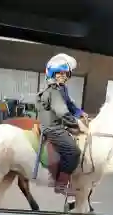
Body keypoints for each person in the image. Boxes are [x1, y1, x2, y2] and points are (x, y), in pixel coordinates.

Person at [36, 53, 87, 194]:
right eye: (60, 74)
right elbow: (62, 112)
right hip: (52, 128)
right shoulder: (52, 90)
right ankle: (61, 185)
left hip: (60, 124)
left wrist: (80, 113)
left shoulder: (62, 89)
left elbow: (70, 105)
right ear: (53, 74)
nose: (63, 76)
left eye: (66, 74)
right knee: (74, 152)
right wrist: (77, 123)